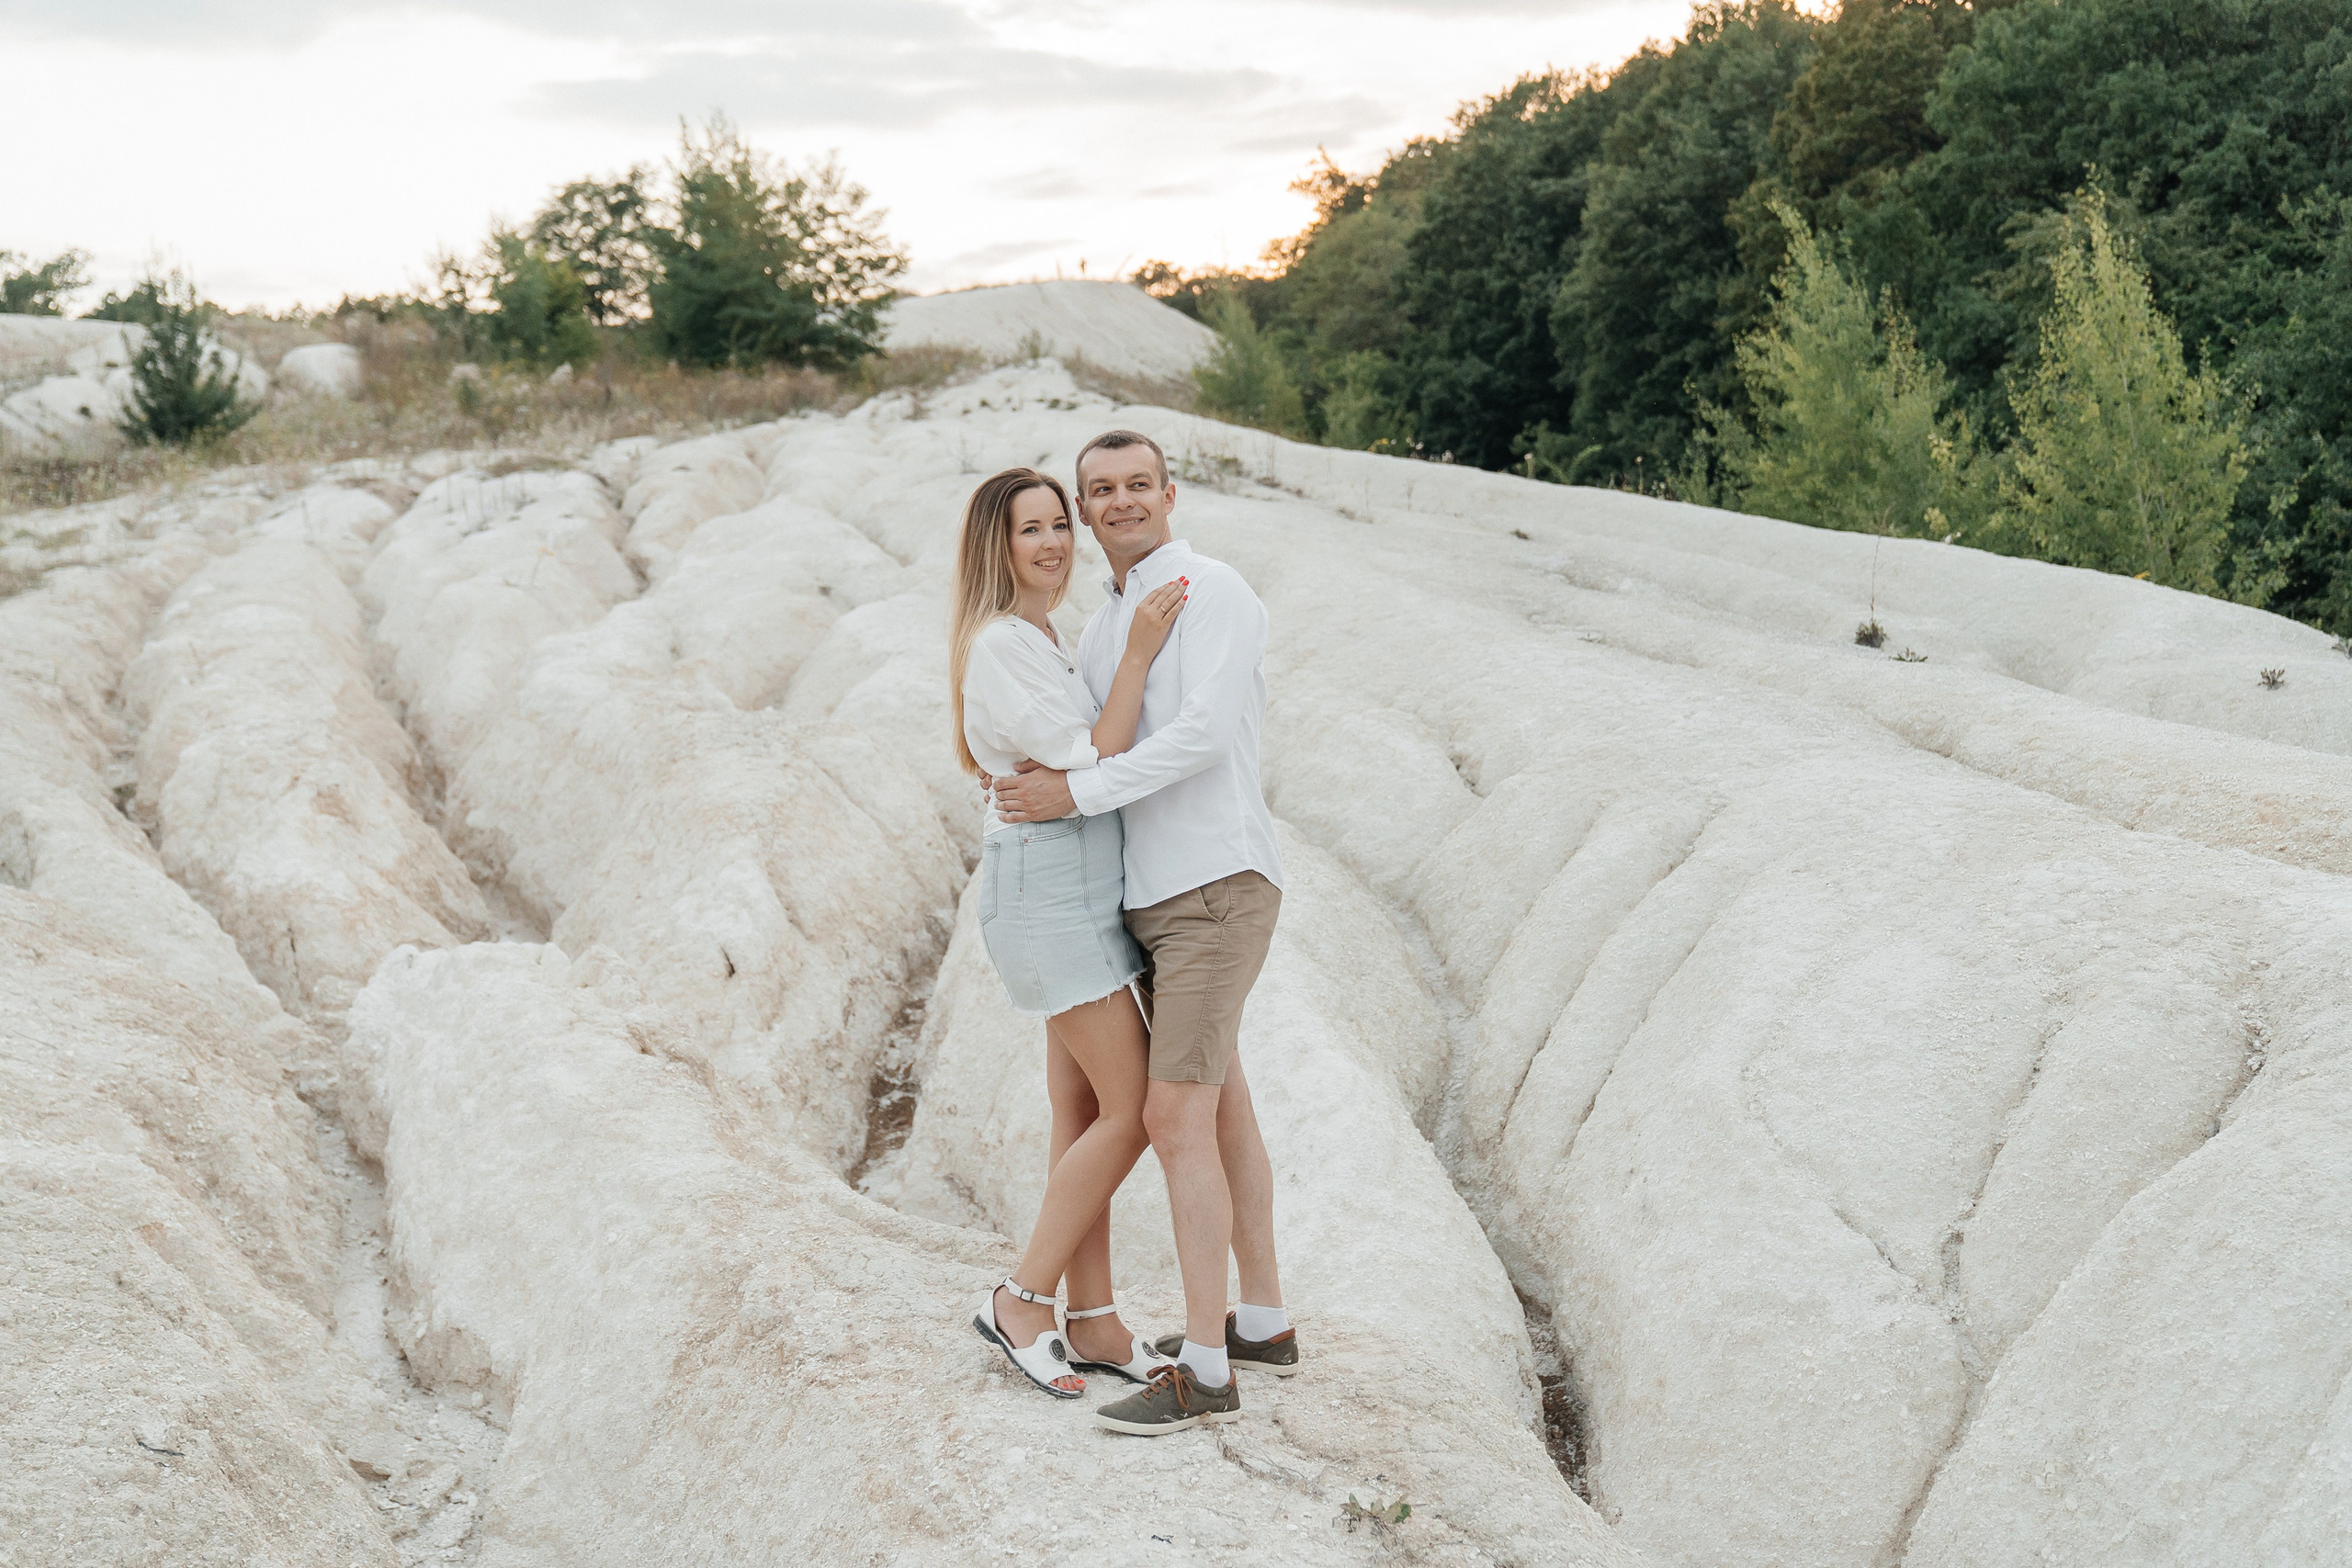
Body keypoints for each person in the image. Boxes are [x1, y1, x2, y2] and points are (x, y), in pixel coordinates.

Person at [992, 430, 1297, 1438]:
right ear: (1085, 511)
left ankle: (1205, 1371)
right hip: (1148, 902)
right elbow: (1089, 733)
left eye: (1136, 486)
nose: (1119, 503)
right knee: (1223, 1111)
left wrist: (1073, 790)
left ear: (1170, 494)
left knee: (1171, 1121)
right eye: (1099, 491)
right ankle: (1258, 1320)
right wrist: (1046, 777)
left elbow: (1202, 736)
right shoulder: (1104, 626)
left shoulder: (1214, 592)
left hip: (1214, 885)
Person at [952, 466, 1190, 1399]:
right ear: (995, 547)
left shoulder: (1038, 635)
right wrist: (1135, 655)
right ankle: (1021, 1299)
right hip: (1046, 894)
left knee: (1084, 1113)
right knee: (1134, 1110)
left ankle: (1091, 1321)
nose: (1053, 543)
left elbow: (1074, 764)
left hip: (1077, 887)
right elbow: (1097, 756)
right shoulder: (1002, 643)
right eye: (1030, 531)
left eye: (1060, 524)